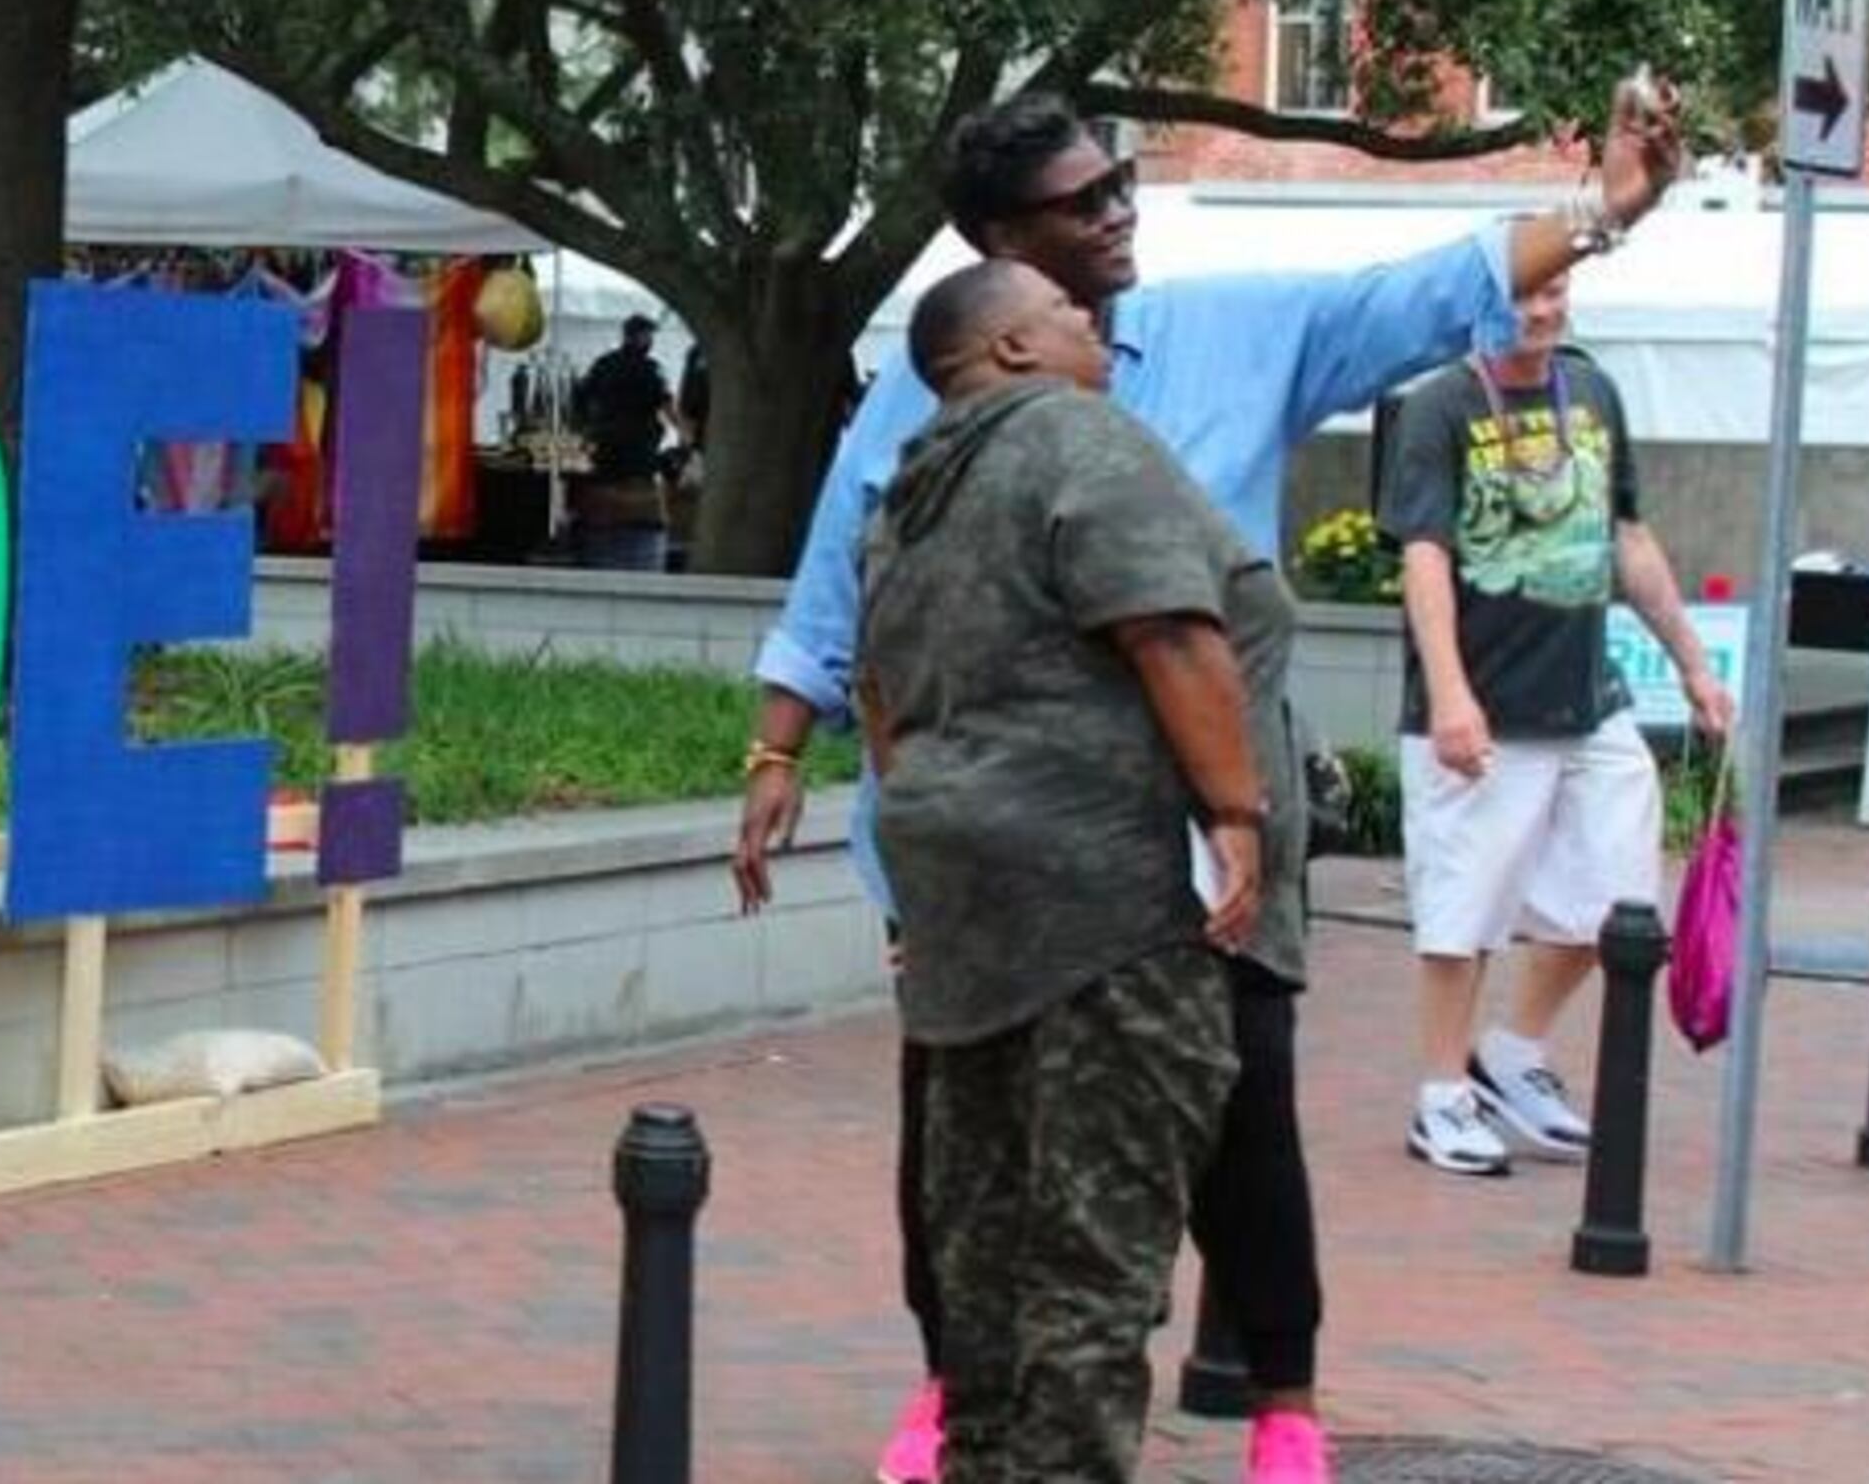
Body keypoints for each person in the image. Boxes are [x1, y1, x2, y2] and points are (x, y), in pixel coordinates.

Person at [732, 78, 1686, 1484]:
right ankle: (963, 1388)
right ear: (1000, 250)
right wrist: (779, 749)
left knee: (1244, 1114)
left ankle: (1280, 1404)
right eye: (1083, 202)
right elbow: (846, 585)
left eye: (1119, 184)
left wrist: (1601, 212)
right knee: (965, 1133)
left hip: (1182, 845)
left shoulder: (1221, 336)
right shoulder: (931, 390)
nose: (1120, 214)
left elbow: (1416, 297)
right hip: (994, 855)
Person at [861, 260, 1278, 1484]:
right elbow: (1169, 628)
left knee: (981, 1244)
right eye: (1063, 311)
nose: (1091, 323)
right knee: (1095, 1255)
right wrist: (1237, 814)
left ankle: (983, 1461)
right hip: (1107, 906)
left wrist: (936, 846)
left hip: (963, 906)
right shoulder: (1078, 437)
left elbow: (880, 696)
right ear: (1009, 351)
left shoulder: (909, 497)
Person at [1377, 276, 1731, 1174]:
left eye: (1554, 292)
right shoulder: (1440, 406)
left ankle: (1512, 1054)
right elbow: (1425, 556)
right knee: (1461, 913)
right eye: (1521, 296)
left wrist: (1692, 661)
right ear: (1480, 303)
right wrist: (1449, 694)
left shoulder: (1592, 388)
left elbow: (1626, 535)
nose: (1540, 312)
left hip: (1589, 700)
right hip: (1484, 705)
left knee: (1617, 902)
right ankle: (1441, 1096)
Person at [575, 314, 679, 478]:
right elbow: (667, 406)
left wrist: (585, 431)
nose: (650, 341)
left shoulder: (604, 363)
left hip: (606, 447)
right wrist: (684, 434)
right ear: (633, 336)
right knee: (636, 488)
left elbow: (580, 395)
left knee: (604, 485)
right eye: (647, 335)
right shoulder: (651, 369)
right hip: (638, 449)